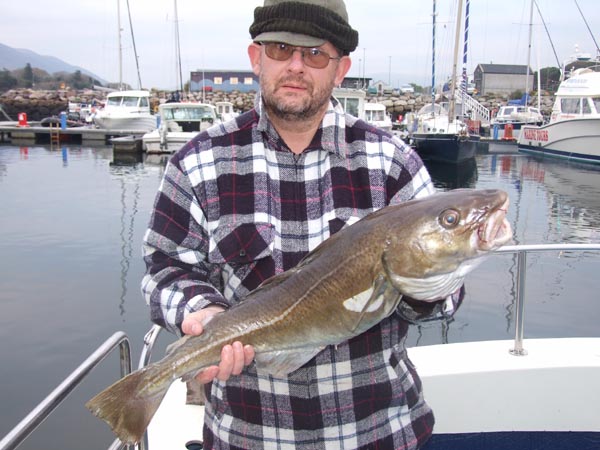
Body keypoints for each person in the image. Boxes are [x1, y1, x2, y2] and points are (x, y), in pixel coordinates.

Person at [142, 0, 462, 448]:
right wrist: (205, 313)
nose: (296, 66)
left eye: (315, 54)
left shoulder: (394, 163)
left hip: (377, 432)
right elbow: (166, 268)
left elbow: (443, 302)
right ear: (256, 58)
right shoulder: (196, 163)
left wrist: (431, 283)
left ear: (341, 68)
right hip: (247, 436)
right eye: (280, 49)